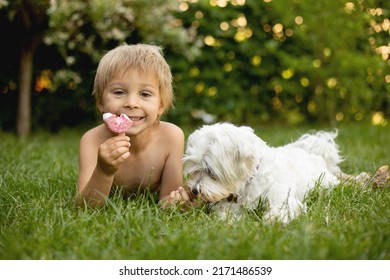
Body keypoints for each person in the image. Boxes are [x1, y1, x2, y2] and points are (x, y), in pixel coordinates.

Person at [76, 43, 190, 207]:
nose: (131, 103)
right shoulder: (92, 141)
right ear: (100, 101)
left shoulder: (172, 137)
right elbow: (85, 206)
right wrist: (104, 170)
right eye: (119, 92)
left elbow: (168, 200)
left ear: (161, 105)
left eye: (145, 94)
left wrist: (179, 202)